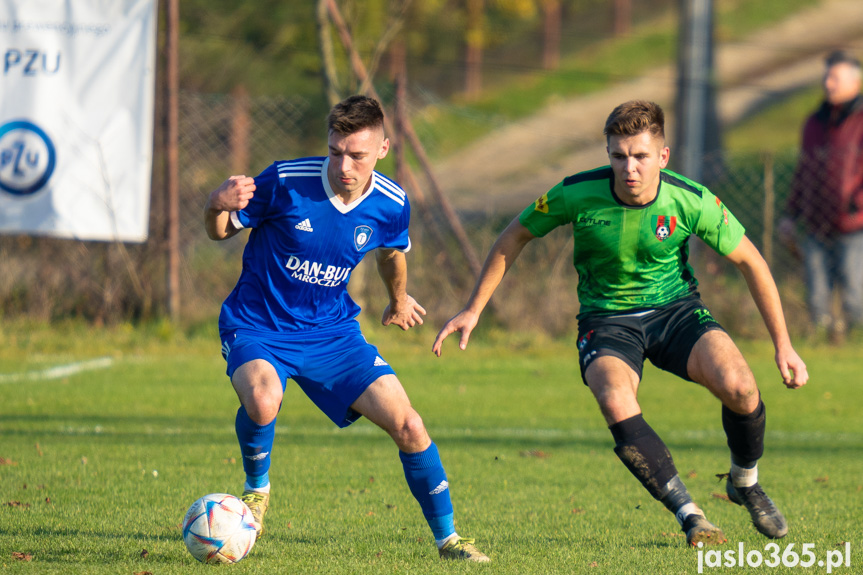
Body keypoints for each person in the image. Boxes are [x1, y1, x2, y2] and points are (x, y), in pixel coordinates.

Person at [433, 100, 809, 547]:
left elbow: (752, 262)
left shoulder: (690, 199)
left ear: (663, 157)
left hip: (676, 311)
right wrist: (474, 309)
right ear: (607, 153)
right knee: (614, 398)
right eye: (618, 156)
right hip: (606, 320)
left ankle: (745, 482)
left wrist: (783, 345)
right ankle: (692, 516)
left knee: (742, 388)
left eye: (641, 156)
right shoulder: (575, 193)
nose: (629, 168)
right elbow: (514, 234)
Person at [204, 95, 489, 562]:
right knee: (262, 397)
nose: (344, 165)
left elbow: (392, 253)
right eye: (336, 151)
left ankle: (449, 540)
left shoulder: (392, 203)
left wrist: (397, 300)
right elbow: (219, 231)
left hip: (333, 334)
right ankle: (257, 489)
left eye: (357, 154)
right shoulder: (285, 181)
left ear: (383, 149)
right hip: (258, 324)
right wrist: (215, 202)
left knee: (410, 425)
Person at [781, 50, 863, 342]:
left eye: (835, 77)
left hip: (855, 225)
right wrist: (791, 215)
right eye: (826, 77)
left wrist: (857, 203)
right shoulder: (814, 123)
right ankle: (822, 342)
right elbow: (803, 172)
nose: (828, 84)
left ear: (855, 81)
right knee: (817, 293)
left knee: (856, 292)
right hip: (817, 223)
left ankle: (856, 344)